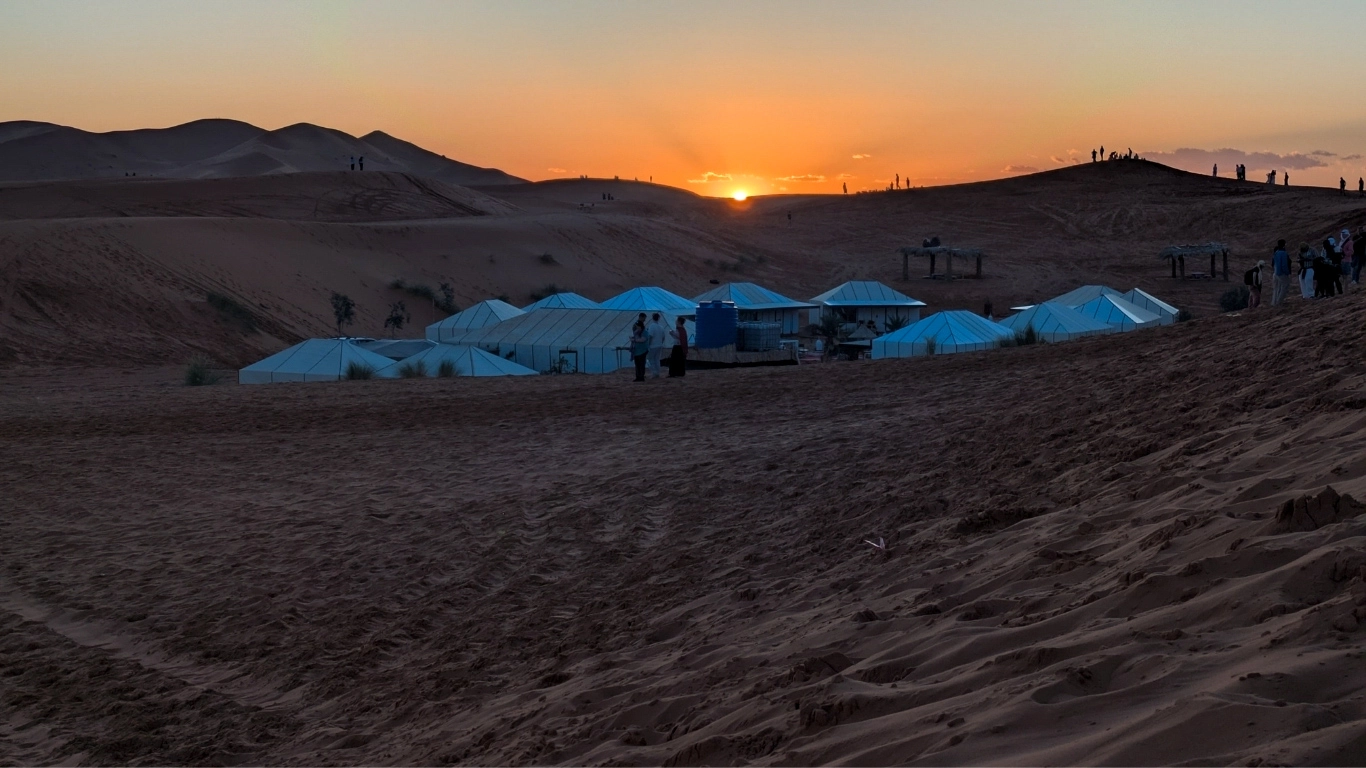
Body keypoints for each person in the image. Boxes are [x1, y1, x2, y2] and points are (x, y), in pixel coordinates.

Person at [646, 312, 668, 379]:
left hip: (653, 345)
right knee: (657, 359)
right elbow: (663, 337)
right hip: (659, 345)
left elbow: (650, 336)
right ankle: (657, 373)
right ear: (658, 318)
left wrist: (648, 345)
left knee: (650, 359)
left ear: (652, 318)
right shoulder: (661, 327)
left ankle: (654, 373)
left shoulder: (652, 326)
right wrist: (661, 343)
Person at [1271, 240, 1291, 306]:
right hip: (1281, 273)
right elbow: (1284, 264)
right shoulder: (1283, 253)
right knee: (1285, 286)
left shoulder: (1276, 252)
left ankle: (1275, 302)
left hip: (1276, 272)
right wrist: (1287, 272)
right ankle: (1279, 302)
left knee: (1277, 288)